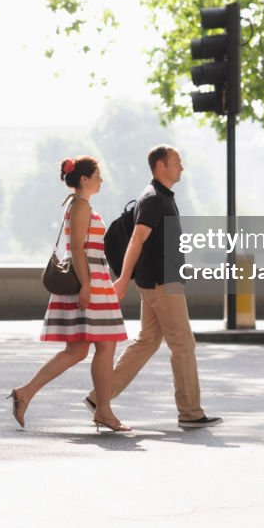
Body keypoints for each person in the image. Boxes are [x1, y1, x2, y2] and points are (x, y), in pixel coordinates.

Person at [86, 145, 222, 429]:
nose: (181, 167)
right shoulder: (153, 199)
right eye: (176, 162)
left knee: (148, 341)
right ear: (161, 166)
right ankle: (190, 412)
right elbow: (136, 240)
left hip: (158, 281)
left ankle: (100, 397)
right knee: (183, 344)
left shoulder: (160, 197)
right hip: (162, 283)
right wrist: (123, 279)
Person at [8, 156, 130, 432]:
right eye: (98, 175)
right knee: (103, 345)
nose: (102, 180)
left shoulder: (80, 205)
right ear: (84, 179)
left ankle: (26, 393)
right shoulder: (81, 206)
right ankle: (104, 411)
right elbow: (76, 248)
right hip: (90, 281)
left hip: (94, 279)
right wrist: (87, 285)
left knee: (78, 350)